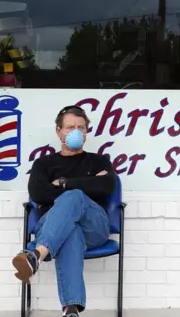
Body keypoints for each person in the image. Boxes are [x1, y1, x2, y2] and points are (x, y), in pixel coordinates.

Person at [11, 105, 116, 317]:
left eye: (81, 127)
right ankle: (71, 310)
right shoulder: (44, 163)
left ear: (87, 132)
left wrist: (63, 183)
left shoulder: (98, 160)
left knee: (75, 196)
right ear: (58, 131)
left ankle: (37, 255)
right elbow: (39, 193)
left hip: (94, 227)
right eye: (69, 127)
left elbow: (106, 186)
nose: (76, 132)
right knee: (71, 231)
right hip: (54, 226)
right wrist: (88, 183)